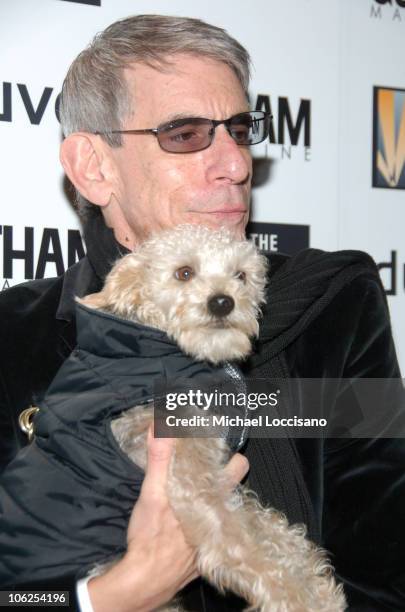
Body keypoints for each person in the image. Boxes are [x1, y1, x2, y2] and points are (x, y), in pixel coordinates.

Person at [0, 14, 404, 612]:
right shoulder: (15, 333)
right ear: (93, 165)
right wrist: (106, 598)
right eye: (185, 135)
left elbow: (385, 570)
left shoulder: (330, 301)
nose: (236, 165)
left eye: (239, 131)